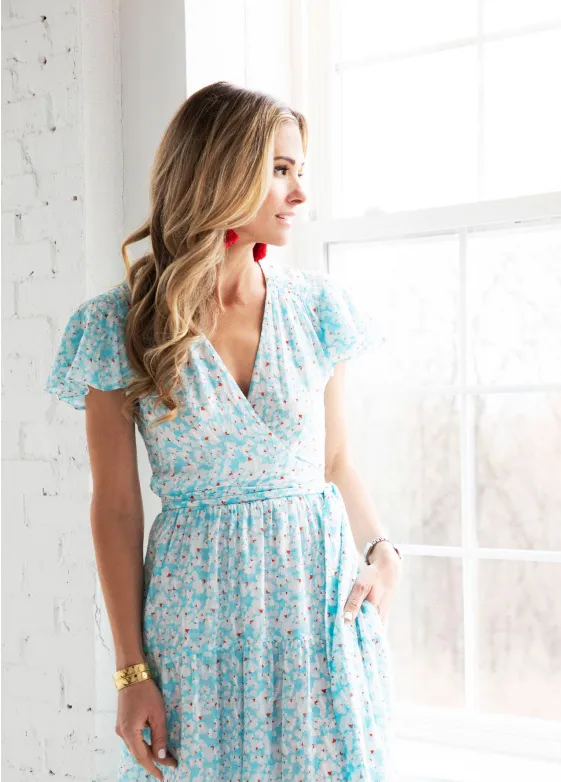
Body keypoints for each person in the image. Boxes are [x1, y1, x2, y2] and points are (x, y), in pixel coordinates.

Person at [44, 81, 403, 781]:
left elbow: (333, 462)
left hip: (317, 617)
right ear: (218, 171)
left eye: (301, 172)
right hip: (196, 628)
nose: (299, 194)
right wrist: (129, 673)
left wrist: (382, 547)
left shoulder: (317, 309)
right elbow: (116, 509)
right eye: (279, 170)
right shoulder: (116, 326)